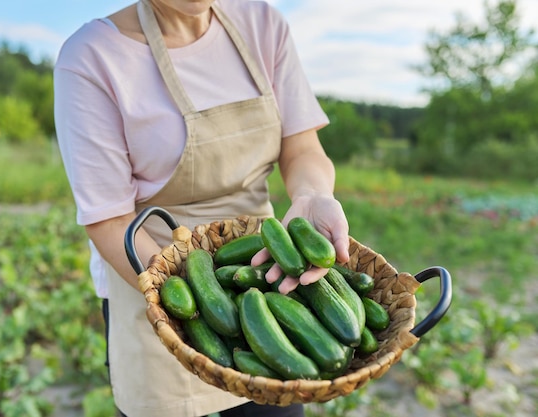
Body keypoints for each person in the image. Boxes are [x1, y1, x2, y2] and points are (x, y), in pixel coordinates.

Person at [53, 0, 350, 416]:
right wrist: (191, 301)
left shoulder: (263, 24)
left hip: (264, 271)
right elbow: (110, 218)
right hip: (155, 282)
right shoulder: (91, 56)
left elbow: (302, 148)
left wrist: (314, 195)